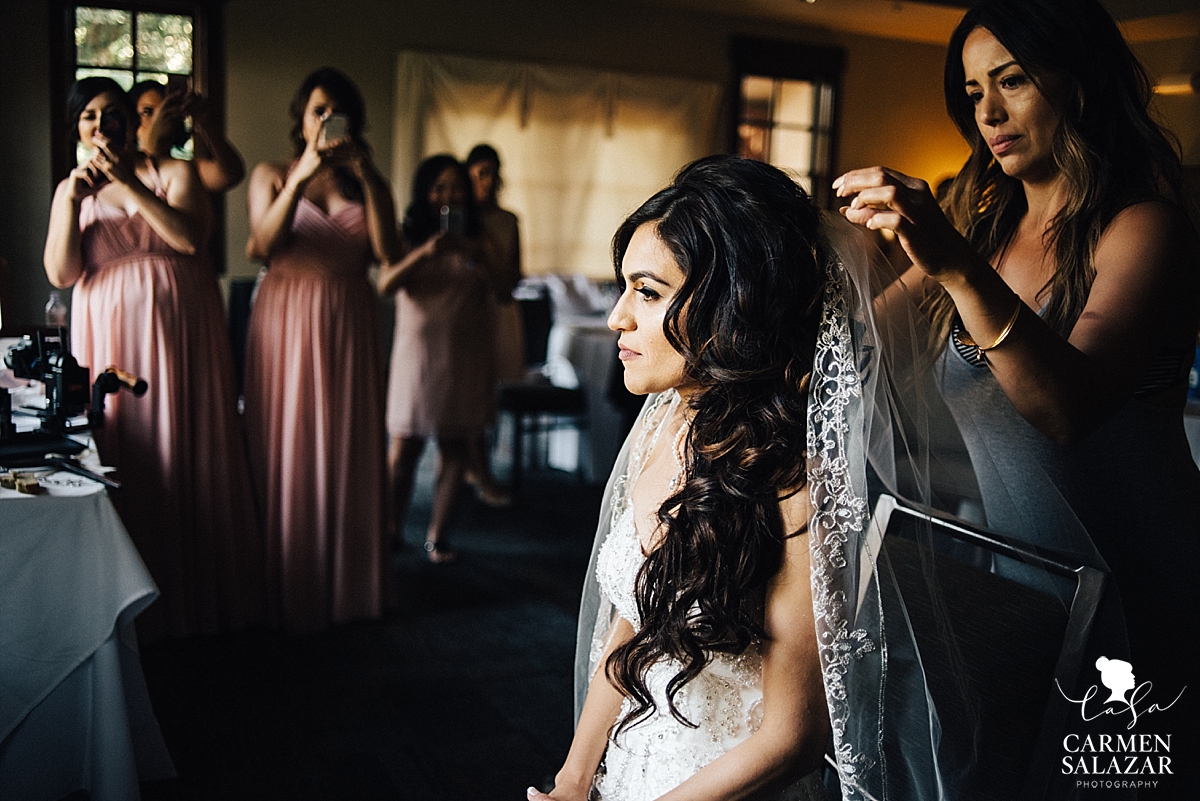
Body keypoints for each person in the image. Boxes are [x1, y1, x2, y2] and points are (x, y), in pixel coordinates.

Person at [835, 0, 1199, 774]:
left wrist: (956, 265)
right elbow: (862, 346)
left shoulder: (1143, 226)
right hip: (1034, 591)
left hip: (1141, 588)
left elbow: (1067, 409)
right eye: (973, 93)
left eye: (1013, 81)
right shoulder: (986, 229)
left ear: (1080, 84)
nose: (989, 112)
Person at [531, 156, 850, 801]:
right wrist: (572, 779)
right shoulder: (667, 423)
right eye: (624, 288)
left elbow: (792, 737)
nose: (618, 317)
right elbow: (629, 626)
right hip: (630, 758)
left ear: (733, 306)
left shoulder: (797, 485)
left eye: (647, 292)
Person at [43, 76, 263, 639]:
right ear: (77, 128)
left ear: (130, 122)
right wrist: (72, 197)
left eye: (111, 113)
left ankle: (197, 600)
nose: (100, 124)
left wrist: (129, 182)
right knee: (126, 454)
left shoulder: (173, 172)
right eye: (88, 116)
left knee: (187, 449)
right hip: (110, 337)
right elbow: (62, 274)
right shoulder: (72, 191)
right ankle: (128, 612)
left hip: (179, 337)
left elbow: (188, 239)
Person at [244, 67, 399, 631]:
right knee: (289, 437)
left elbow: (386, 251)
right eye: (317, 109)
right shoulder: (271, 174)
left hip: (348, 323)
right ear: (301, 118)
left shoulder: (365, 184)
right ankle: (288, 583)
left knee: (348, 440)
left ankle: (349, 585)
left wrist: (369, 173)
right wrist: (304, 173)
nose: (326, 119)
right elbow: (261, 245)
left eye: (337, 111)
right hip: (285, 318)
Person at [379, 155, 508, 563]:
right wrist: (425, 253)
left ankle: (438, 537)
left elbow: (506, 290)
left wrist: (479, 255)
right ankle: (390, 529)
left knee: (455, 447)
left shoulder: (481, 236)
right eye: (438, 187)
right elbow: (385, 283)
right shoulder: (407, 234)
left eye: (455, 187)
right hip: (416, 355)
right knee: (404, 448)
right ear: (424, 193)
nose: (448, 195)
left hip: (465, 354)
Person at [465, 143, 523, 505]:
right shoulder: (457, 218)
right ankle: (472, 468)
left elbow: (514, 275)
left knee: (488, 394)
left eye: (490, 173)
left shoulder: (507, 221)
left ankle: (480, 467)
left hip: (497, 309)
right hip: (465, 310)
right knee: (468, 393)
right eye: (477, 174)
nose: (485, 181)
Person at [130, 79, 246, 194]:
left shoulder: (185, 169)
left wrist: (206, 124)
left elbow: (230, 174)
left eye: (165, 111)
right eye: (147, 112)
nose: (158, 119)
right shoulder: (126, 168)